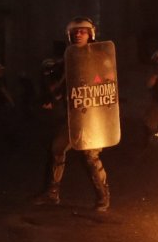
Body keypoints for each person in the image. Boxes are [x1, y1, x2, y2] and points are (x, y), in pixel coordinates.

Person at [33, 17, 111, 212]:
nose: (78, 34)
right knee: (57, 148)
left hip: (94, 115)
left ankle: (103, 196)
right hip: (75, 114)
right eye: (75, 32)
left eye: (83, 31)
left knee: (90, 155)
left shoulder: (100, 56)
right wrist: (51, 95)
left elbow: (108, 83)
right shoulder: (65, 61)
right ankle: (52, 194)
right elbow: (57, 89)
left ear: (90, 34)